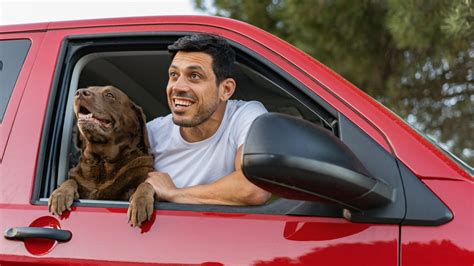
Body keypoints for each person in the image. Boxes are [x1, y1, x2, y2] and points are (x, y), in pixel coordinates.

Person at [145, 33, 271, 206]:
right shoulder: (151, 134)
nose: (178, 87)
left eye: (194, 76)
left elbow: (253, 187)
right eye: (174, 75)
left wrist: (173, 194)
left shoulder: (245, 115)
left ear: (226, 90)